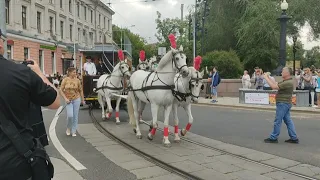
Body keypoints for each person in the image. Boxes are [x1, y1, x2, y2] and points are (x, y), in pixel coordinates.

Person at [0, 29, 60, 180]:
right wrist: (38, 73)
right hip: (16, 165)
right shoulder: (21, 73)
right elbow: (55, 102)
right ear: (1, 45)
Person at [263, 67, 299, 144]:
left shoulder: (288, 83)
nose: (281, 72)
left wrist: (266, 77)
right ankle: (294, 137)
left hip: (283, 103)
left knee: (277, 121)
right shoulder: (287, 81)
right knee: (288, 121)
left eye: (283, 71)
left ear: (287, 73)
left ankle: (273, 138)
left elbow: (274, 87)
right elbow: (275, 83)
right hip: (285, 103)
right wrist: (269, 77)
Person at [60, 67, 85, 137]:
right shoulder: (65, 80)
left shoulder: (77, 80)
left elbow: (81, 90)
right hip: (68, 100)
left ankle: (74, 130)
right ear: (70, 72)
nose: (75, 73)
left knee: (75, 116)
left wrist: (83, 100)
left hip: (76, 99)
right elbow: (61, 90)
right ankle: (68, 128)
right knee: (70, 115)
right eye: (74, 72)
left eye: (75, 72)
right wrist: (65, 98)